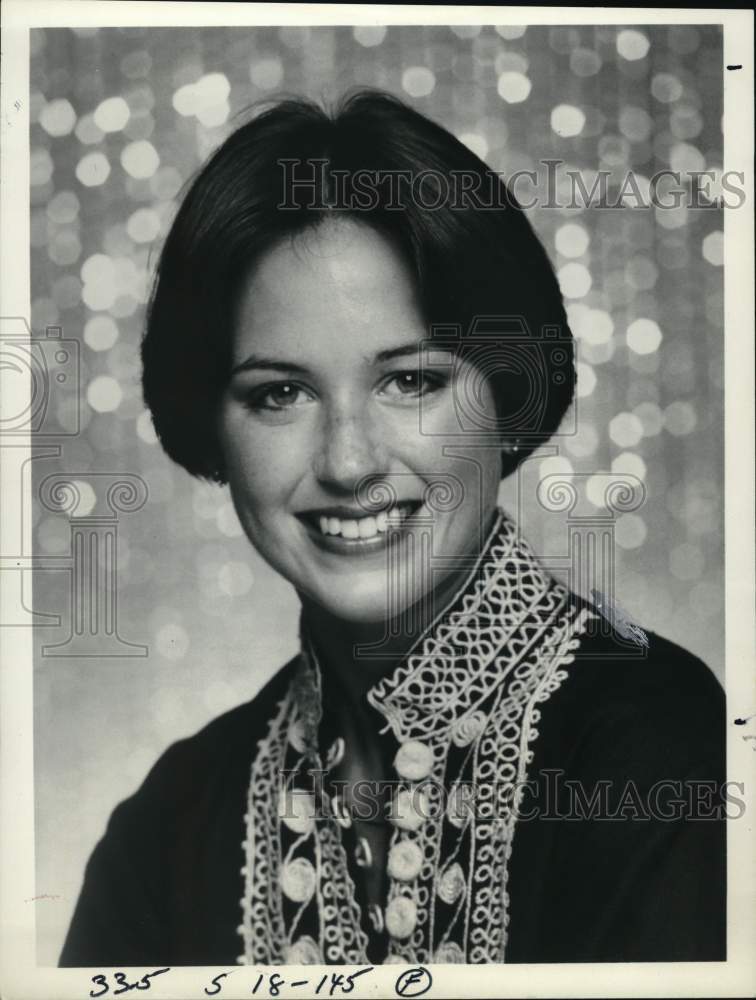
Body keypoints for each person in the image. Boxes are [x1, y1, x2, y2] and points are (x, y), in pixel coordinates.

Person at [60, 90, 725, 967]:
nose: (347, 461)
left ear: (509, 399)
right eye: (279, 393)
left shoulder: (668, 751)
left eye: (410, 381)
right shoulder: (168, 826)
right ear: (212, 427)